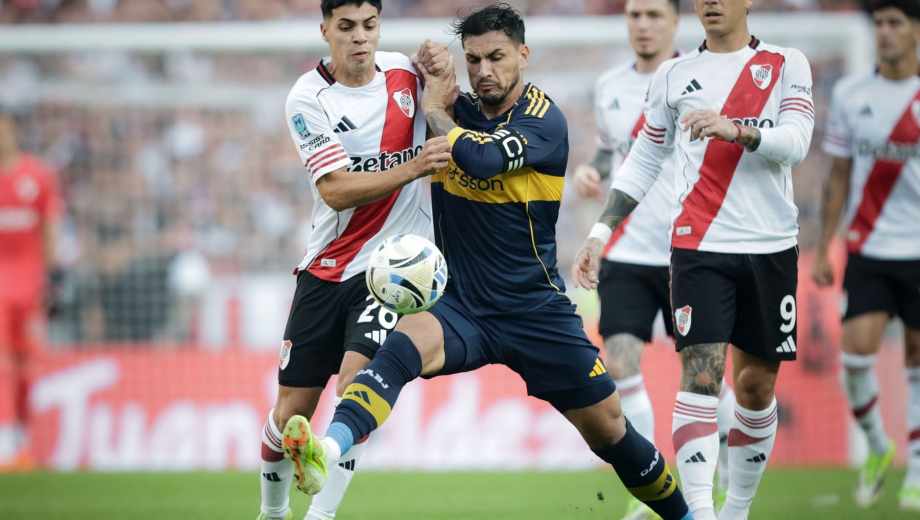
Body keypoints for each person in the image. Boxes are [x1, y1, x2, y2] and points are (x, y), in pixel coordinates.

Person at [280, 5, 694, 519]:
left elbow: (479, 158)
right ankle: (327, 450)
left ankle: (687, 516)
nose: (484, 71)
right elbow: (386, 97)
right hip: (461, 304)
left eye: (496, 57)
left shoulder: (544, 119)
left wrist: (436, 106)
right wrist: (433, 65)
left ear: (524, 54)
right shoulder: (460, 110)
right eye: (473, 60)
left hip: (535, 308)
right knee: (393, 355)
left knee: (609, 430)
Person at [572, 0, 815, 518]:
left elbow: (796, 143)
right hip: (697, 246)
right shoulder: (674, 75)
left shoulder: (786, 62)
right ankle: (701, 511)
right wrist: (599, 232)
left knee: (754, 386)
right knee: (700, 374)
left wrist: (738, 131)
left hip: (770, 245)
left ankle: (738, 507)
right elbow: (643, 158)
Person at [258, 1, 453, 519]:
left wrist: (445, 66)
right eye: (346, 28)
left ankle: (321, 516)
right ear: (325, 31)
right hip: (326, 268)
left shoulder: (405, 74)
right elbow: (337, 191)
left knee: (357, 388)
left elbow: (447, 103)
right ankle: (272, 514)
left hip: (389, 273)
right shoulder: (308, 97)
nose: (360, 38)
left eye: (369, 26)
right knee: (289, 414)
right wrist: (414, 166)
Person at [571, 1, 735, 516]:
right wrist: (592, 173)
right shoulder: (609, 86)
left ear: (674, 22)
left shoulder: (701, 81)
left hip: (688, 248)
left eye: (654, 15)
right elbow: (611, 150)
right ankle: (656, 480)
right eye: (635, 14)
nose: (643, 25)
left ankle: (727, 459)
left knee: (703, 374)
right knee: (618, 361)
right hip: (626, 249)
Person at [813, 0, 920, 511]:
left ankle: (917, 468)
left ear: (916, 30)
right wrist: (824, 245)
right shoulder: (853, 94)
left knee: (918, 362)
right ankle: (878, 445)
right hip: (868, 246)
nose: (884, 33)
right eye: (878, 24)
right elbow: (836, 175)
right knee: (855, 355)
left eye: (895, 23)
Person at [0, 108, 62, 469]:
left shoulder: (36, 175)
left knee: (26, 364)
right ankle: (6, 439)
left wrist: (53, 277)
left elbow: (50, 226)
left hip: (30, 283)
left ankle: (22, 439)